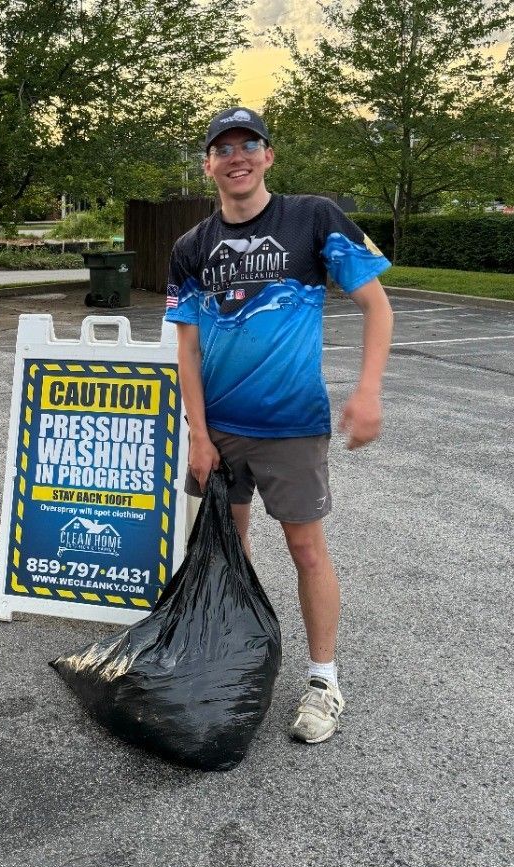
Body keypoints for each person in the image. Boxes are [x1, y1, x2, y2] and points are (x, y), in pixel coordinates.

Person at [164, 107, 394, 743]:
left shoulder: (313, 218)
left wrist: (368, 391)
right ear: (208, 164)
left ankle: (324, 681)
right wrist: (199, 432)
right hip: (222, 430)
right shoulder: (189, 248)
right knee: (227, 548)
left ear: (268, 156)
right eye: (223, 147)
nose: (237, 156)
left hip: (292, 425)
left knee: (303, 547)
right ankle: (236, 660)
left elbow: (377, 306)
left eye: (249, 144)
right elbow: (186, 348)